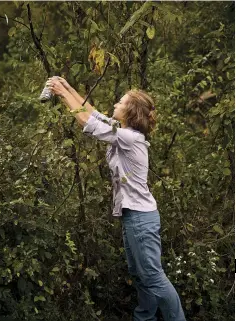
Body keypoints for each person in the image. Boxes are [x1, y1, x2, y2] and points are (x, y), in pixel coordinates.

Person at [47, 77, 186, 321]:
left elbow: (85, 120)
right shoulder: (121, 131)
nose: (115, 103)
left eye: (120, 102)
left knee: (153, 276)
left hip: (141, 219)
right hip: (133, 217)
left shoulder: (129, 137)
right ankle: (145, 318)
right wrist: (67, 88)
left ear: (130, 111)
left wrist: (60, 94)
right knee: (139, 274)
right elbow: (94, 114)